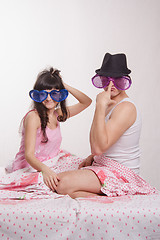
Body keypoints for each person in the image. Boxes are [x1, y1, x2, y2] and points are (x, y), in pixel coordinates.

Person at [56, 53, 156, 198]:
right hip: (105, 165)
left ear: (125, 81)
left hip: (121, 174)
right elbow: (94, 144)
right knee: (57, 174)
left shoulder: (126, 108)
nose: (110, 85)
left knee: (61, 183)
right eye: (105, 80)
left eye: (117, 80)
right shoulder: (107, 104)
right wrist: (94, 157)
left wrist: (99, 106)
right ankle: (100, 193)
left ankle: (116, 191)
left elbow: (98, 147)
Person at [6, 67, 92, 191]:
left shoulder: (58, 114)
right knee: (62, 184)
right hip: (32, 166)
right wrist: (46, 171)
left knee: (85, 168)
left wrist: (64, 85)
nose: (48, 98)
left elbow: (86, 102)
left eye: (54, 93)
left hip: (52, 162)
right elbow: (29, 155)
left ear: (61, 94)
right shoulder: (33, 117)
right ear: (37, 95)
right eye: (43, 94)